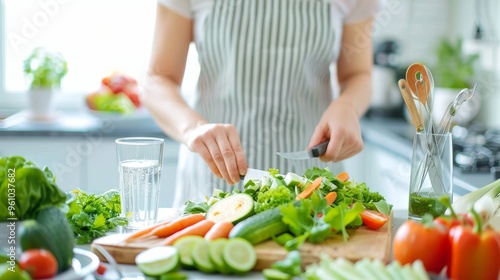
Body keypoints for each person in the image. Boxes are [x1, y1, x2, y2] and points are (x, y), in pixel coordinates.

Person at [142, 0, 385, 208]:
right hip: (213, 183)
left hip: (311, 183)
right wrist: (192, 128)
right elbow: (158, 79)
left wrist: (347, 105)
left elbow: (358, 74)